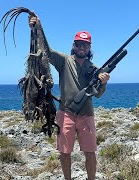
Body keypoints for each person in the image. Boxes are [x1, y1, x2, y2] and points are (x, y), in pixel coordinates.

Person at [29, 15, 110, 180]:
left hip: (87, 114)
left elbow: (99, 95)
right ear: (74, 45)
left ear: (89, 47)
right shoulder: (64, 61)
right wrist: (38, 27)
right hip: (66, 113)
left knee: (90, 153)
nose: (82, 47)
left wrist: (103, 82)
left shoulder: (94, 69)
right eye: (79, 44)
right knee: (64, 153)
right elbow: (47, 51)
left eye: (85, 45)